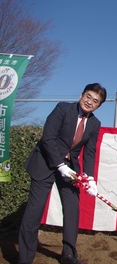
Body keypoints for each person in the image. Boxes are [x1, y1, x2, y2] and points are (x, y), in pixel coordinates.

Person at [18, 83, 107, 264]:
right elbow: (48, 137)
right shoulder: (63, 108)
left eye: (95, 101)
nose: (90, 102)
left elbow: (89, 152)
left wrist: (90, 178)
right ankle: (25, 259)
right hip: (46, 162)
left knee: (72, 208)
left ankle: (68, 255)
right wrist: (59, 164)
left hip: (70, 168)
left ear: (99, 106)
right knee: (33, 212)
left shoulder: (95, 123)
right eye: (88, 97)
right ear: (82, 94)